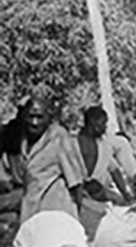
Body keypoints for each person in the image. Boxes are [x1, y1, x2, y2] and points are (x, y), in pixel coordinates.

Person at [16, 95, 86, 223]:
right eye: (31, 116)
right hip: (31, 212)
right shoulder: (24, 140)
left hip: (56, 212)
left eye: (40, 117)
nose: (34, 122)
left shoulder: (59, 137)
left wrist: (76, 217)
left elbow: (76, 182)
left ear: (49, 118)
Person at [77, 106, 132, 205]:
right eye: (103, 123)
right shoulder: (73, 142)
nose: (105, 127)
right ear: (93, 122)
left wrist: (124, 192)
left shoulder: (103, 145)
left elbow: (114, 170)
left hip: (94, 194)